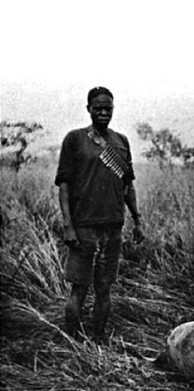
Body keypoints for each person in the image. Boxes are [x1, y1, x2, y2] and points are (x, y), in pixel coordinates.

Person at [55, 86, 144, 340]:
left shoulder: (121, 142)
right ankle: (73, 343)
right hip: (84, 227)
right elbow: (64, 185)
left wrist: (138, 219)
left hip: (113, 227)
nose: (104, 113)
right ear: (89, 109)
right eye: (98, 108)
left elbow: (128, 186)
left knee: (104, 288)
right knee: (79, 289)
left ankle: (98, 343)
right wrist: (68, 225)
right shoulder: (75, 139)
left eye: (108, 109)